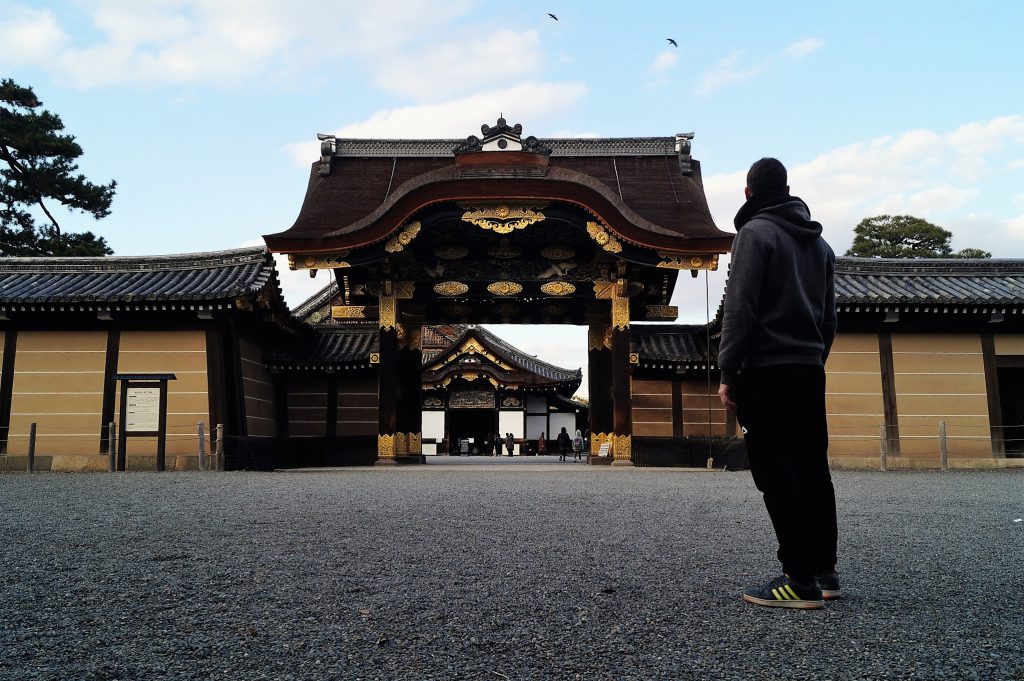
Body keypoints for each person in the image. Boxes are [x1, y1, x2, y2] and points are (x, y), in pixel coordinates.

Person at [717, 157, 838, 610]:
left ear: (749, 193)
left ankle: (798, 579)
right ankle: (825, 571)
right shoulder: (820, 245)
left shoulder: (755, 234)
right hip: (808, 371)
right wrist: (813, 358)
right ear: (788, 188)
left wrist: (729, 371)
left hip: (766, 370)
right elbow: (829, 318)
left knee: (776, 472)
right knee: (811, 466)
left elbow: (740, 307)